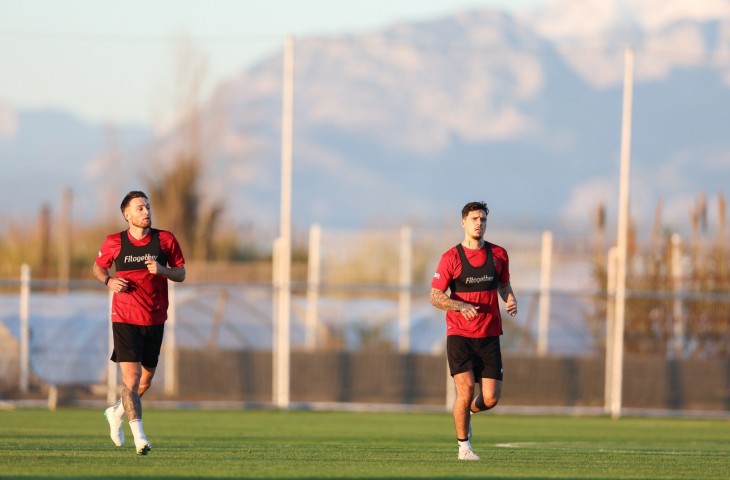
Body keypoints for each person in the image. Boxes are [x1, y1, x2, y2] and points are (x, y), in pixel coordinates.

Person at [93, 191, 186, 455]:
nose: (146, 212)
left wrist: (163, 270)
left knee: (145, 382)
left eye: (147, 207)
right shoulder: (114, 242)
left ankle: (116, 413)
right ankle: (140, 438)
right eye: (140, 208)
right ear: (127, 215)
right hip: (124, 318)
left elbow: (181, 272)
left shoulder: (165, 240)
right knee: (131, 380)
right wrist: (109, 281)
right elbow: (98, 267)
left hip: (155, 318)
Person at [430, 201, 517, 461]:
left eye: (483, 219)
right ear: (463, 223)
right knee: (465, 388)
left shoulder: (499, 254)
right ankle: (464, 447)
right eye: (474, 219)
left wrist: (510, 299)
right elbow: (435, 296)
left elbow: (504, 285)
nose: (479, 223)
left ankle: (465, 414)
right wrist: (459, 305)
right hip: (460, 335)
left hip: (489, 335)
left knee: (490, 398)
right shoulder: (451, 257)